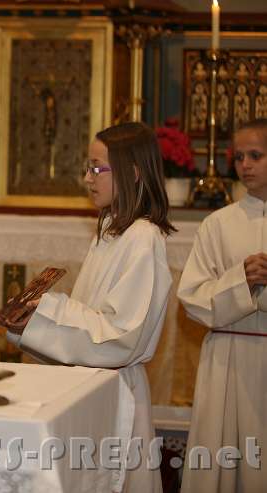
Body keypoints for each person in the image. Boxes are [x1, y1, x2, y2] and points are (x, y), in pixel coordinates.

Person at [6, 122, 175, 493]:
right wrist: (32, 324)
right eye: (88, 166)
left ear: (132, 173)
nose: (87, 177)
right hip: (95, 389)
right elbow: (91, 321)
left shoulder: (143, 238)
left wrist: (48, 313)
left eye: (98, 168)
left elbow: (121, 337)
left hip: (118, 393)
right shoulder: (112, 230)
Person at [177, 119, 267, 493]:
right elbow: (192, 297)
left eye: (256, 155)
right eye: (239, 156)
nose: (244, 164)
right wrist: (240, 281)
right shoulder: (218, 224)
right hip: (228, 359)